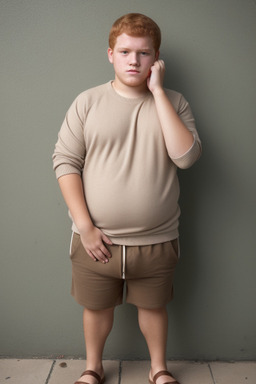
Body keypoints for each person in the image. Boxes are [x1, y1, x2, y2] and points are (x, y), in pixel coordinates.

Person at [52, 13, 201, 384]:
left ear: (157, 59)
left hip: (157, 240)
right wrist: (85, 228)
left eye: (144, 53)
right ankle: (93, 367)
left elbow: (186, 157)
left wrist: (158, 93)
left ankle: (158, 368)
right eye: (125, 52)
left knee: (153, 307)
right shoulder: (87, 102)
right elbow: (65, 162)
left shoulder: (175, 103)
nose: (134, 60)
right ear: (110, 55)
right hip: (95, 240)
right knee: (96, 308)